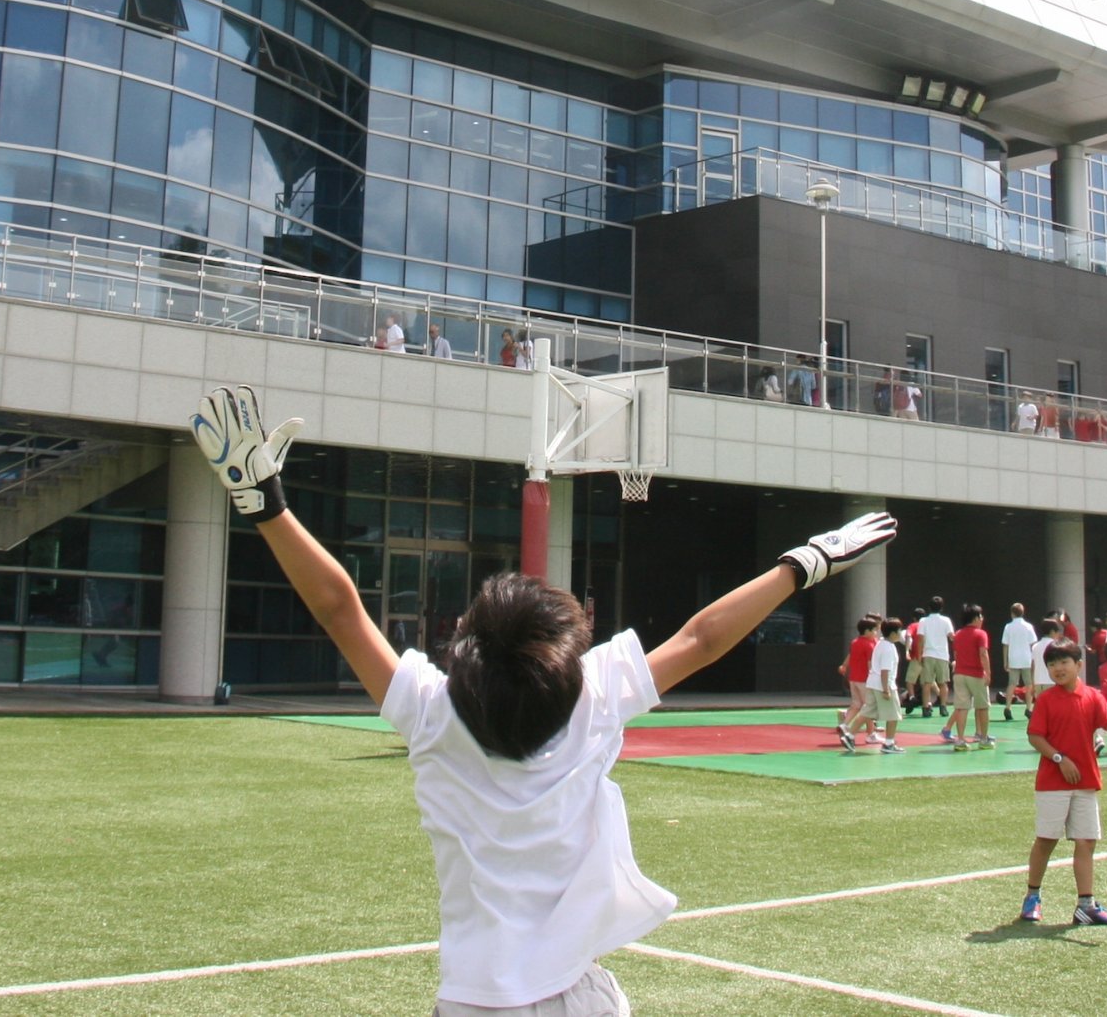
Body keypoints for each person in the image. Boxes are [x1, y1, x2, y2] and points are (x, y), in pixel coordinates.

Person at [187, 381, 897, 1015]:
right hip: (575, 993)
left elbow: (341, 606)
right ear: (567, 653)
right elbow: (703, 637)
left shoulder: (435, 713)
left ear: (461, 648)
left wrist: (266, 503)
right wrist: (806, 562)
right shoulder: (590, 698)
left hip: (470, 998)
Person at [1018, 640, 1107, 926]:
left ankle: (1086, 905)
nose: (1057, 669)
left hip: (1085, 783)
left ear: (1078, 665)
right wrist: (1060, 759)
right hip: (1052, 784)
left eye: (1064, 662)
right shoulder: (1047, 700)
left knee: (1086, 841)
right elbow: (1035, 736)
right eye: (1052, 664)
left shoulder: (1093, 696)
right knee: (1046, 840)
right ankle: (1032, 897)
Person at [943, 604, 994, 749]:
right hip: (976, 674)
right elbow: (983, 654)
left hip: (959, 674)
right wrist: (988, 673)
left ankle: (960, 740)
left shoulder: (958, 634)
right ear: (976, 618)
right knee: (983, 707)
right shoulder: (980, 634)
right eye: (981, 616)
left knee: (961, 707)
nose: (982, 619)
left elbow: (956, 655)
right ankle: (983, 738)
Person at [858, 617, 905, 755]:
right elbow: (885, 670)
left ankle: (848, 733)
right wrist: (886, 689)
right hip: (884, 685)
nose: (901, 633)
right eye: (899, 630)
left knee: (866, 712)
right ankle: (889, 743)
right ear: (893, 634)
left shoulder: (880, 643)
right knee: (893, 715)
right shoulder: (889, 648)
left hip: (873, 682)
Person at [835, 614, 878, 753]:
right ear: (867, 631)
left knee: (856, 704)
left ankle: (845, 724)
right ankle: (871, 735)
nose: (876, 633)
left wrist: (844, 666)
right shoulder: (870, 644)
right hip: (865, 680)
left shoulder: (855, 642)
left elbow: (851, 655)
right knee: (869, 707)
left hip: (854, 678)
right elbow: (870, 664)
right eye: (874, 630)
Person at [999, 601, 1038, 720]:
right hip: (1027, 658)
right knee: (1029, 684)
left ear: (1012, 613)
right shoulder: (1028, 626)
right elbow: (1033, 644)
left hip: (1013, 659)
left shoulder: (1008, 627)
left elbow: (1005, 645)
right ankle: (1028, 708)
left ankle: (1007, 707)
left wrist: (1005, 661)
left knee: (1011, 684)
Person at [919, 595, 953, 722]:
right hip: (942, 655)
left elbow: (920, 639)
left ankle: (925, 707)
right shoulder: (946, 620)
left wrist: (919, 654)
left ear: (929, 607)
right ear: (942, 607)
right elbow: (951, 636)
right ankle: (943, 706)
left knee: (927, 683)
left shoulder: (923, 621)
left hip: (928, 654)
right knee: (943, 682)